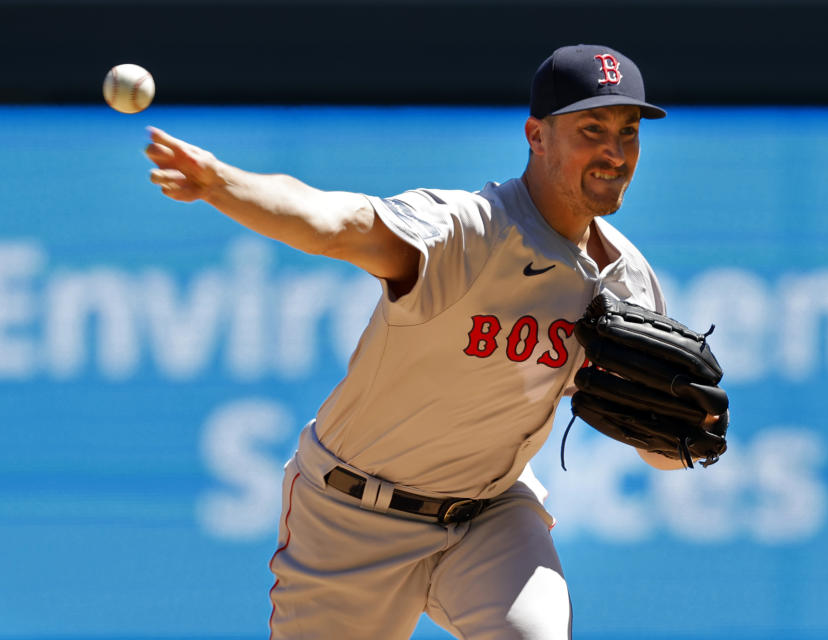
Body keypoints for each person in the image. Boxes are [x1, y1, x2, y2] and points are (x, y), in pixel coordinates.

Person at [146, 43, 695, 640]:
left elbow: (660, 451)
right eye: (592, 128)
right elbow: (335, 222)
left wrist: (679, 433)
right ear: (537, 135)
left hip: (491, 515)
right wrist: (223, 184)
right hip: (351, 514)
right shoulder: (468, 231)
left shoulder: (627, 281)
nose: (615, 152)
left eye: (629, 131)